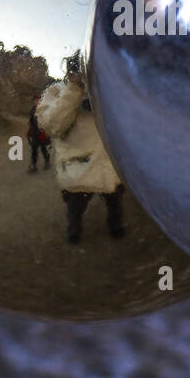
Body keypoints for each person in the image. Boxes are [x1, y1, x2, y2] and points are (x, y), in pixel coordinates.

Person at [36, 63, 125, 244]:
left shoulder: (109, 88)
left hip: (109, 166)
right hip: (77, 167)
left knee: (115, 203)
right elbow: (52, 126)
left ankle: (116, 227)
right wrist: (74, 89)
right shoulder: (57, 91)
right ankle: (74, 232)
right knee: (75, 208)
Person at [26, 96, 50, 173]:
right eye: (35, 100)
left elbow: (46, 121)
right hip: (34, 132)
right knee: (34, 150)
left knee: (43, 148)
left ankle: (47, 162)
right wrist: (29, 132)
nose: (37, 101)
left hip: (42, 132)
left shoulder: (43, 109)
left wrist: (46, 132)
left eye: (38, 100)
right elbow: (31, 123)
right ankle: (34, 165)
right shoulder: (32, 110)